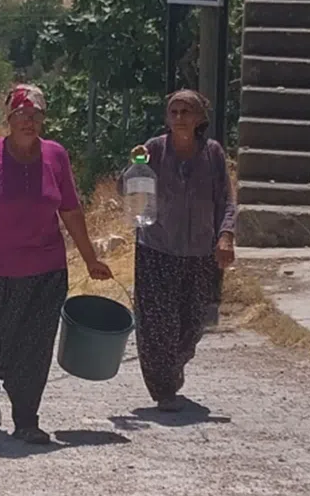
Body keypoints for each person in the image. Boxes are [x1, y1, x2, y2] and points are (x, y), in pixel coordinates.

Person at [0, 84, 112, 444]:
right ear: (9, 118)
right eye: (22, 114)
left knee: (33, 349)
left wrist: (89, 258)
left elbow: (70, 210)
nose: (30, 121)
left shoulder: (56, 156)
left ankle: (26, 418)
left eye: (36, 115)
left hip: (45, 272)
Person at [133, 89, 237, 412]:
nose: (179, 118)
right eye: (174, 112)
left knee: (193, 323)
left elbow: (226, 200)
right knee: (157, 324)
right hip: (157, 249)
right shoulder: (153, 150)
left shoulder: (213, 154)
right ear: (167, 118)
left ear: (199, 119)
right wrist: (135, 165)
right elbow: (132, 191)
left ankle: (173, 369)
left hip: (200, 253)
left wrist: (226, 236)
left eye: (186, 112)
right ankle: (163, 388)